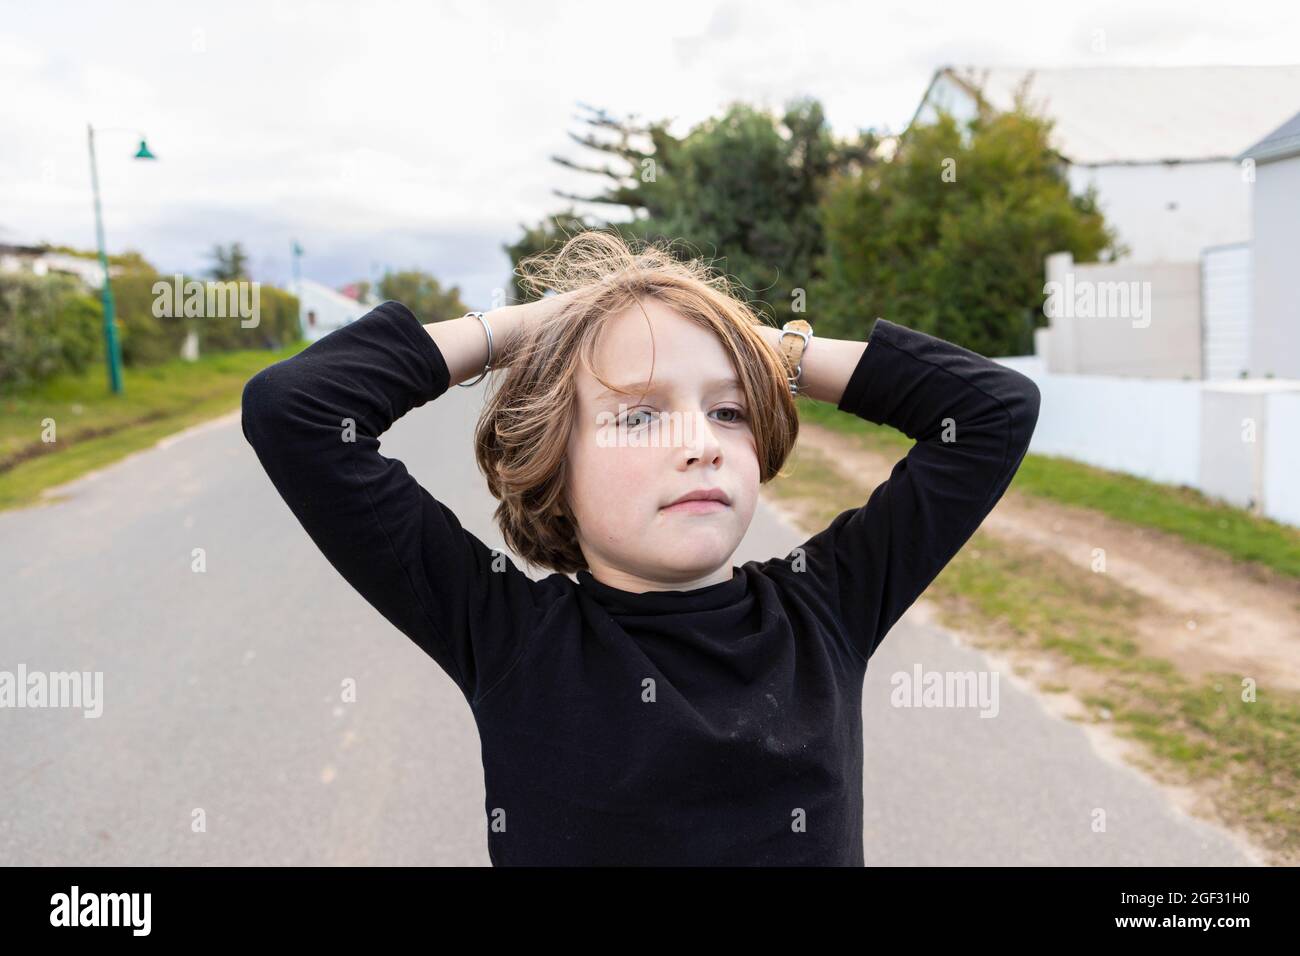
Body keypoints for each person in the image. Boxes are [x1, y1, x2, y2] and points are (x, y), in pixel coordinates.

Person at [241, 230, 1041, 865]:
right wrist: (529, 326)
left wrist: (768, 350)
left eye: (729, 410)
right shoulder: (506, 633)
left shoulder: (826, 607)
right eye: (639, 413)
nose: (701, 442)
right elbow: (297, 410)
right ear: (552, 460)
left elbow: (991, 411)